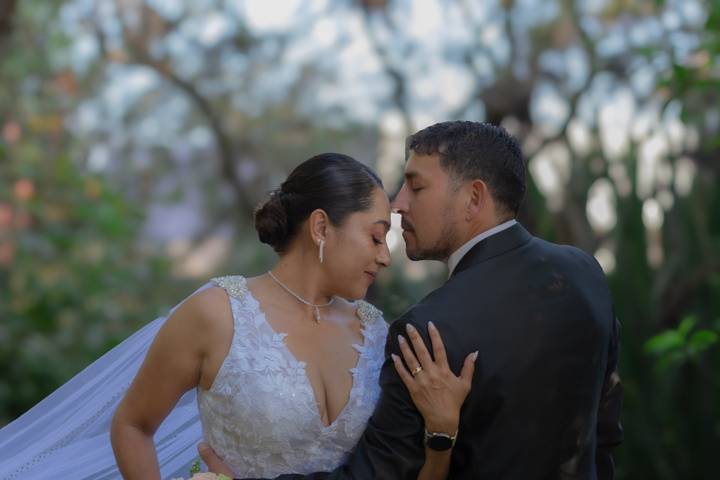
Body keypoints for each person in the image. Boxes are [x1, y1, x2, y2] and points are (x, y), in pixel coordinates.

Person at [0, 153, 474, 480]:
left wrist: (442, 425)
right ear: (321, 227)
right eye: (374, 236)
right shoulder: (217, 313)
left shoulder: (376, 331)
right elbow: (132, 425)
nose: (385, 256)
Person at [201, 121, 624, 479]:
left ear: (474, 198)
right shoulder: (585, 272)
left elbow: (378, 475)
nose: (399, 203)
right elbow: (605, 429)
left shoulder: (429, 330)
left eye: (416, 187)